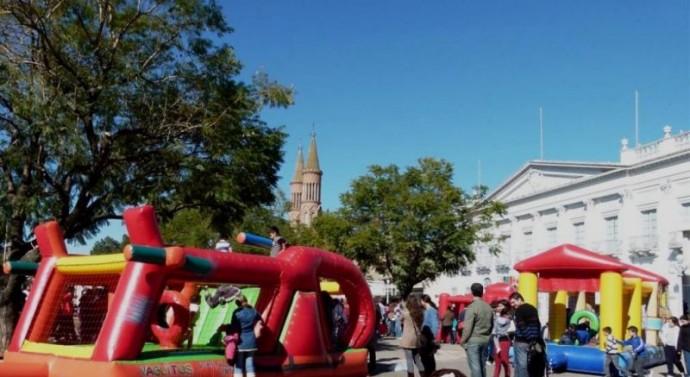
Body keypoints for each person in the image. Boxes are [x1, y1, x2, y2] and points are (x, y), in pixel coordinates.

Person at [220, 294, 263, 377]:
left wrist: (226, 330)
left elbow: (234, 328)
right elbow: (260, 320)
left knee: (239, 364)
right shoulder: (253, 311)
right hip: (251, 340)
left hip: (241, 341)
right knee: (250, 364)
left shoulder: (237, 312)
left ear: (237, 303)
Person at [460, 283, 494, 377]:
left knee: (475, 368)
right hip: (485, 339)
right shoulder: (488, 307)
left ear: (472, 292)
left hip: (474, 339)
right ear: (482, 292)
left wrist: (463, 341)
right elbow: (492, 325)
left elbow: (468, 327)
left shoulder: (472, 307)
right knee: (482, 365)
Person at [509, 292, 545, 377]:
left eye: (514, 302)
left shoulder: (519, 311)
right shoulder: (532, 308)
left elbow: (522, 327)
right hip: (532, 342)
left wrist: (530, 338)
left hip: (521, 342)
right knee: (529, 365)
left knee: (521, 366)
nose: (513, 305)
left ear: (520, 299)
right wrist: (534, 339)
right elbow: (537, 325)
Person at [400, 295, 426, 377]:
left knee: (409, 360)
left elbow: (400, 319)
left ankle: (411, 376)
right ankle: (423, 375)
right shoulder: (421, 313)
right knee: (417, 359)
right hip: (417, 339)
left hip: (408, 339)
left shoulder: (406, 313)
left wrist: (404, 307)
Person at [420, 294, 440, 375]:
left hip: (429, 337)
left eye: (421, 301)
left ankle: (431, 373)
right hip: (425, 336)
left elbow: (435, 324)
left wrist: (433, 337)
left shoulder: (431, 310)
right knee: (425, 358)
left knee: (428, 358)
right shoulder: (426, 311)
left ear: (424, 301)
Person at [493, 307, 512, 377]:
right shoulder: (509, 320)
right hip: (505, 340)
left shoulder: (496, 320)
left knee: (497, 364)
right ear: (505, 314)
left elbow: (494, 332)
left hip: (497, 341)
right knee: (505, 362)